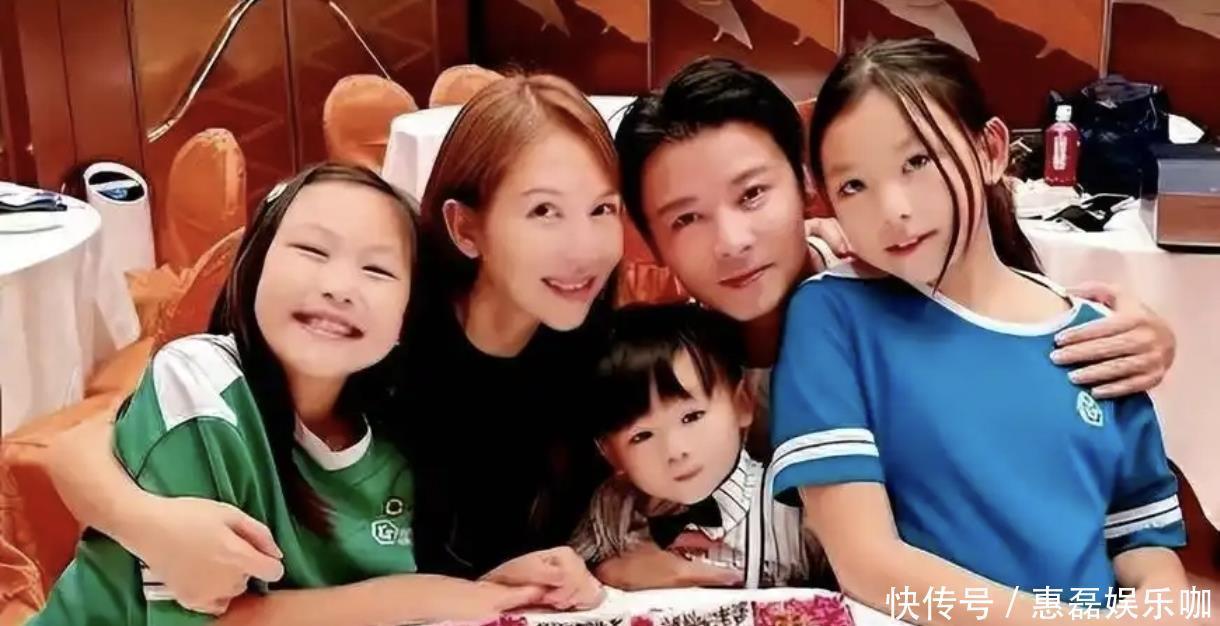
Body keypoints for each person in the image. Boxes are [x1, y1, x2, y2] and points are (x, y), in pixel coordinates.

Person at [43, 74, 618, 620]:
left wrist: (517, 581)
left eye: (603, 209)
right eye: (544, 211)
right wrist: (145, 521)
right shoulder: (373, 340)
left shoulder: (593, 356)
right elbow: (103, 436)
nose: (583, 247)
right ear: (465, 228)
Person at [595, 56, 1179, 590]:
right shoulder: (661, 365)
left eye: (751, 195)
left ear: (805, 184)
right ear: (650, 240)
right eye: (686, 219)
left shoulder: (893, 283)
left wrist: (1146, 334)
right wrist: (614, 564)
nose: (731, 241)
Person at [769, 38, 1186, 626]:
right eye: (853, 186)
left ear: (990, 149)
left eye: (918, 162)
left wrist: (1161, 603)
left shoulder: (1096, 337)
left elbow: (1142, 539)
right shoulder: (834, 316)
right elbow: (868, 563)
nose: (893, 209)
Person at [570, 304, 822, 588]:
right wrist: (607, 571)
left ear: (742, 404)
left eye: (692, 417)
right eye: (642, 436)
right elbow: (568, 578)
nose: (675, 451)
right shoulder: (612, 506)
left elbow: (858, 590)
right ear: (611, 453)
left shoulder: (793, 501)